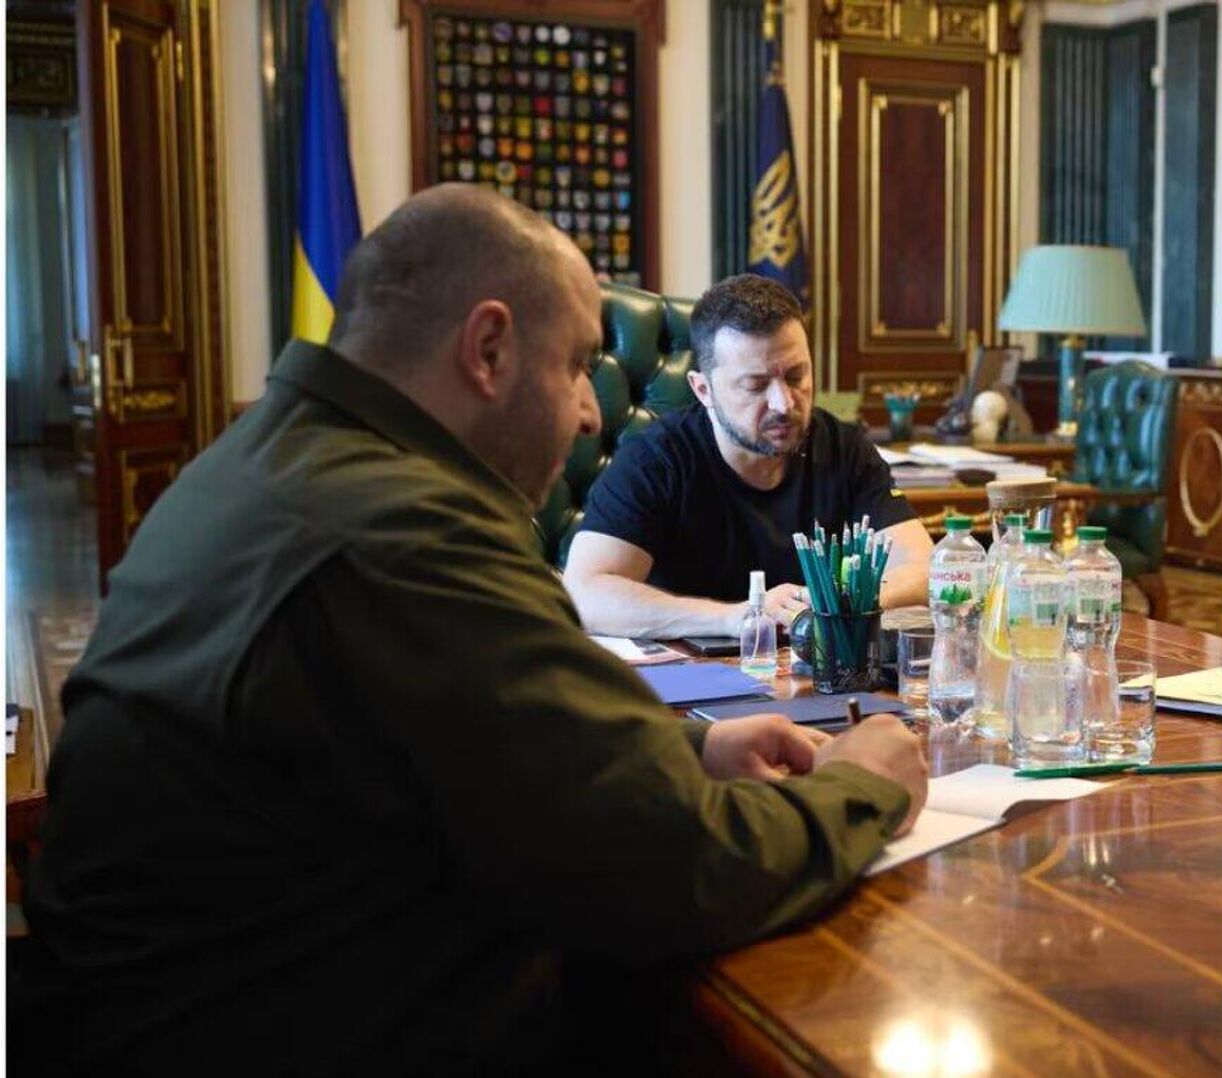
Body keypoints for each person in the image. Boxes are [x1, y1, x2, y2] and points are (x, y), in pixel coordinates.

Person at [17, 184, 929, 1072]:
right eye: (575, 367)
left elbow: (437, 743)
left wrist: (687, 751)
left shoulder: (275, 460)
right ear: (488, 349)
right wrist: (862, 785)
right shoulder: (400, 533)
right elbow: (674, 870)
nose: (589, 411)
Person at [564, 274, 934, 638]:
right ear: (703, 390)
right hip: (694, 671)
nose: (783, 403)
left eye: (796, 376)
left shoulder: (845, 448)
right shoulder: (656, 459)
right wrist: (738, 617)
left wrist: (838, 603)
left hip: (816, 668)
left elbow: (924, 568)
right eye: (755, 386)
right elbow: (585, 594)